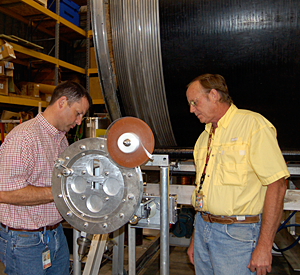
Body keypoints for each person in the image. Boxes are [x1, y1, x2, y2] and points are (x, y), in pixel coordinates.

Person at [186, 74, 289, 275]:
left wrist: (264, 246)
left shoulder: (253, 126)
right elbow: (203, 194)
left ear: (214, 95)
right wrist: (195, 238)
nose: (191, 109)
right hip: (203, 229)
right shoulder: (204, 138)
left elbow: (277, 185)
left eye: (194, 102)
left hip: (237, 235)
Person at [0, 81, 92, 275]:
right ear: (62, 102)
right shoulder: (24, 137)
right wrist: (59, 192)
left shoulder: (60, 139)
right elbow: (4, 193)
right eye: (78, 113)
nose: (79, 121)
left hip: (55, 233)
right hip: (25, 241)